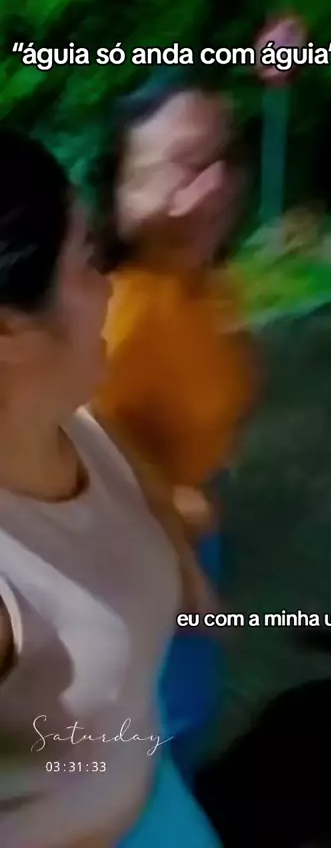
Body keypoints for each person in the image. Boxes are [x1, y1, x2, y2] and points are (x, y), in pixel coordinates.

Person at [0, 127, 220, 848]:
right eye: (88, 259)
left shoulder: (87, 425)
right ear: (6, 331)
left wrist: (182, 550)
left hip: (160, 799)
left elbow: (150, 497)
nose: (110, 287)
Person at [92, 70, 258, 780]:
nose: (215, 187)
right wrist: (183, 544)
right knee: (155, 729)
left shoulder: (206, 283)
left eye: (223, 160)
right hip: (141, 564)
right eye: (185, 165)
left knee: (184, 714)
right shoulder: (115, 317)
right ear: (123, 189)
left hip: (190, 535)